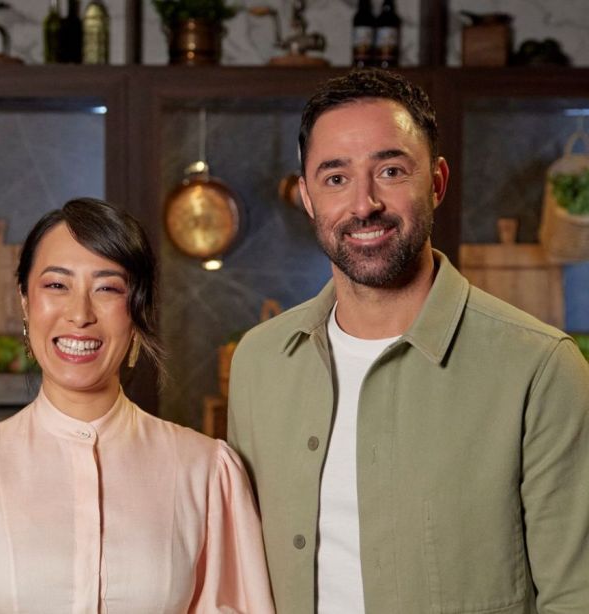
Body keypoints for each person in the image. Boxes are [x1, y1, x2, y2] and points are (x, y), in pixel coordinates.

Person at [227, 68, 589, 613]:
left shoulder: (540, 368)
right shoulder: (259, 360)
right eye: (335, 178)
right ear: (306, 197)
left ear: (437, 182)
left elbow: (575, 595)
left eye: (390, 170)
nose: (364, 203)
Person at [0, 197, 275, 613]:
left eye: (107, 288)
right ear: (25, 301)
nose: (79, 314)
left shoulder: (205, 472)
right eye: (57, 285)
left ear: (137, 310)